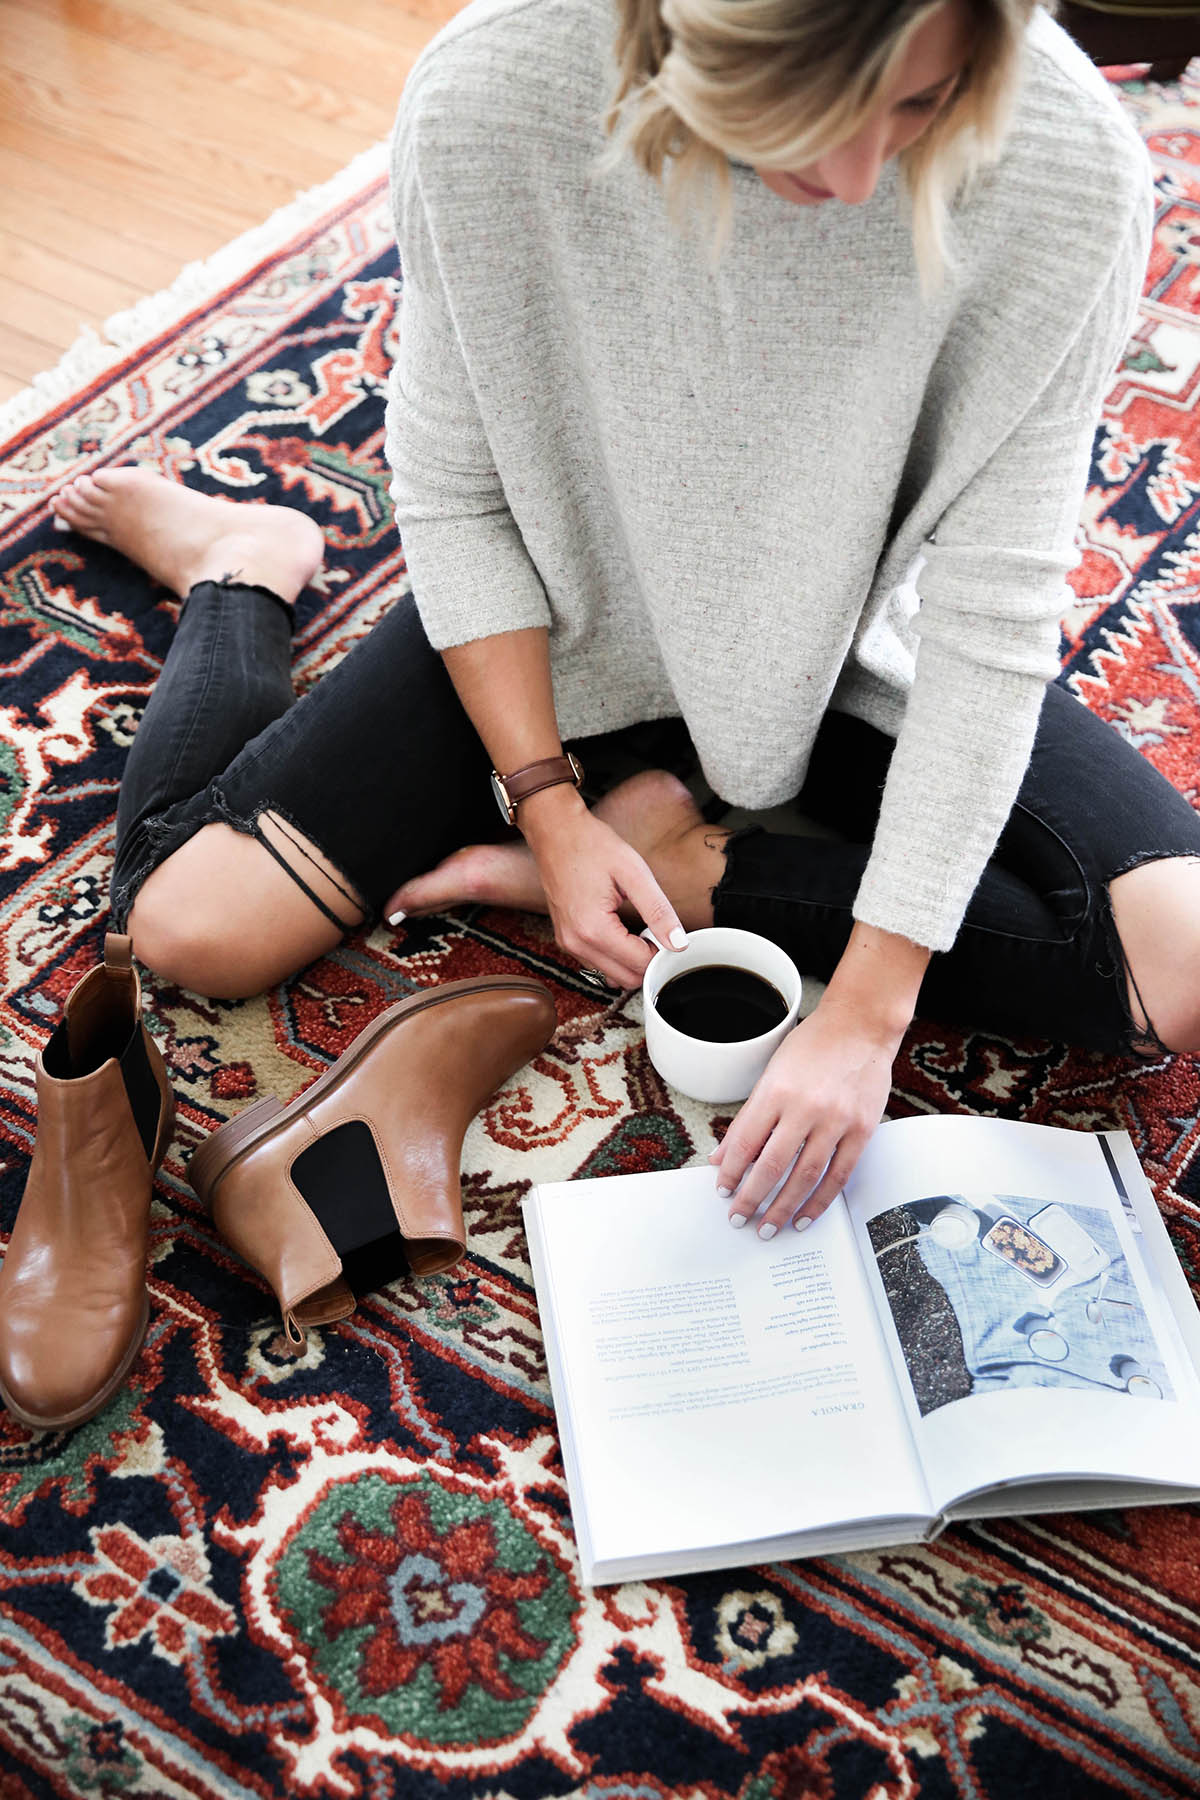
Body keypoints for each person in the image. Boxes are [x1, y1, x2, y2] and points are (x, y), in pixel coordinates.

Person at [51, 0, 1199, 1251]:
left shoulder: (1067, 163)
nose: (867, 175)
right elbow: (458, 488)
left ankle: (697, 867)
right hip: (567, 607)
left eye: (921, 108)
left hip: (855, 651)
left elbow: (994, 611)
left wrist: (868, 1012)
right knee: (185, 928)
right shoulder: (497, 90)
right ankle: (241, 564)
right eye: (805, 124)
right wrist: (544, 803)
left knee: (1189, 967)